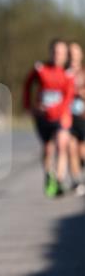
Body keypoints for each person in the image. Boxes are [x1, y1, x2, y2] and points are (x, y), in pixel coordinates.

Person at [23, 38, 74, 197]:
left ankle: (59, 180)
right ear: (50, 52)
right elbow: (27, 85)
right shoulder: (40, 68)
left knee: (61, 143)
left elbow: (68, 97)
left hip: (61, 116)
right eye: (55, 52)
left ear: (66, 55)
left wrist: (56, 110)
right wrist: (29, 106)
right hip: (42, 117)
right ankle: (48, 174)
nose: (58, 55)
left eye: (61, 53)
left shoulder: (68, 74)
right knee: (48, 148)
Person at [67, 42, 85, 195]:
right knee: (71, 148)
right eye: (70, 52)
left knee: (82, 151)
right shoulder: (64, 72)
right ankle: (76, 181)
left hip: (83, 117)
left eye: (76, 52)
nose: (73, 55)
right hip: (68, 117)